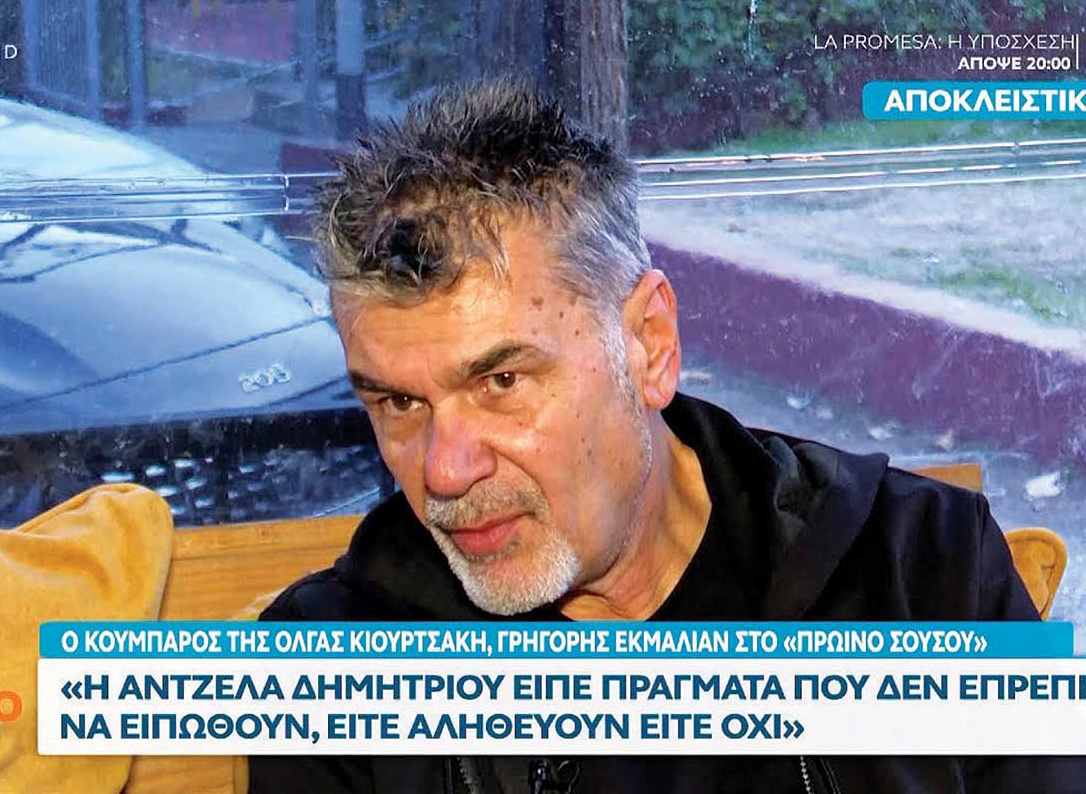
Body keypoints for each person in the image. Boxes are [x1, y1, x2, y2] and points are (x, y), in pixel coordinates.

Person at [253, 78, 1072, 793]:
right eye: (399, 402)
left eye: (501, 382)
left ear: (649, 344)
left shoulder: (922, 567)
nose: (445, 470)